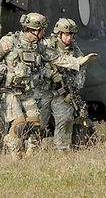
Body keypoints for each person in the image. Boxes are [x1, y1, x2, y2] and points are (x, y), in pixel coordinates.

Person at [0, 12, 97, 157]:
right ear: (35, 30)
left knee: (36, 125)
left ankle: (27, 153)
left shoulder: (39, 46)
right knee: (19, 125)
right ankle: (14, 151)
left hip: (28, 92)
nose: (44, 33)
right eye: (42, 29)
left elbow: (55, 57)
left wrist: (77, 62)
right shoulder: (10, 42)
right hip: (10, 93)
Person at [40, 17, 88, 151]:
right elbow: (36, 66)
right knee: (39, 120)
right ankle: (33, 147)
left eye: (72, 35)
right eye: (67, 34)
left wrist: (72, 86)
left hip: (62, 91)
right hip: (42, 89)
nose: (69, 38)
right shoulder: (45, 45)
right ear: (59, 34)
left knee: (66, 119)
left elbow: (81, 73)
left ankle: (62, 148)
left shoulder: (75, 50)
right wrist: (50, 74)